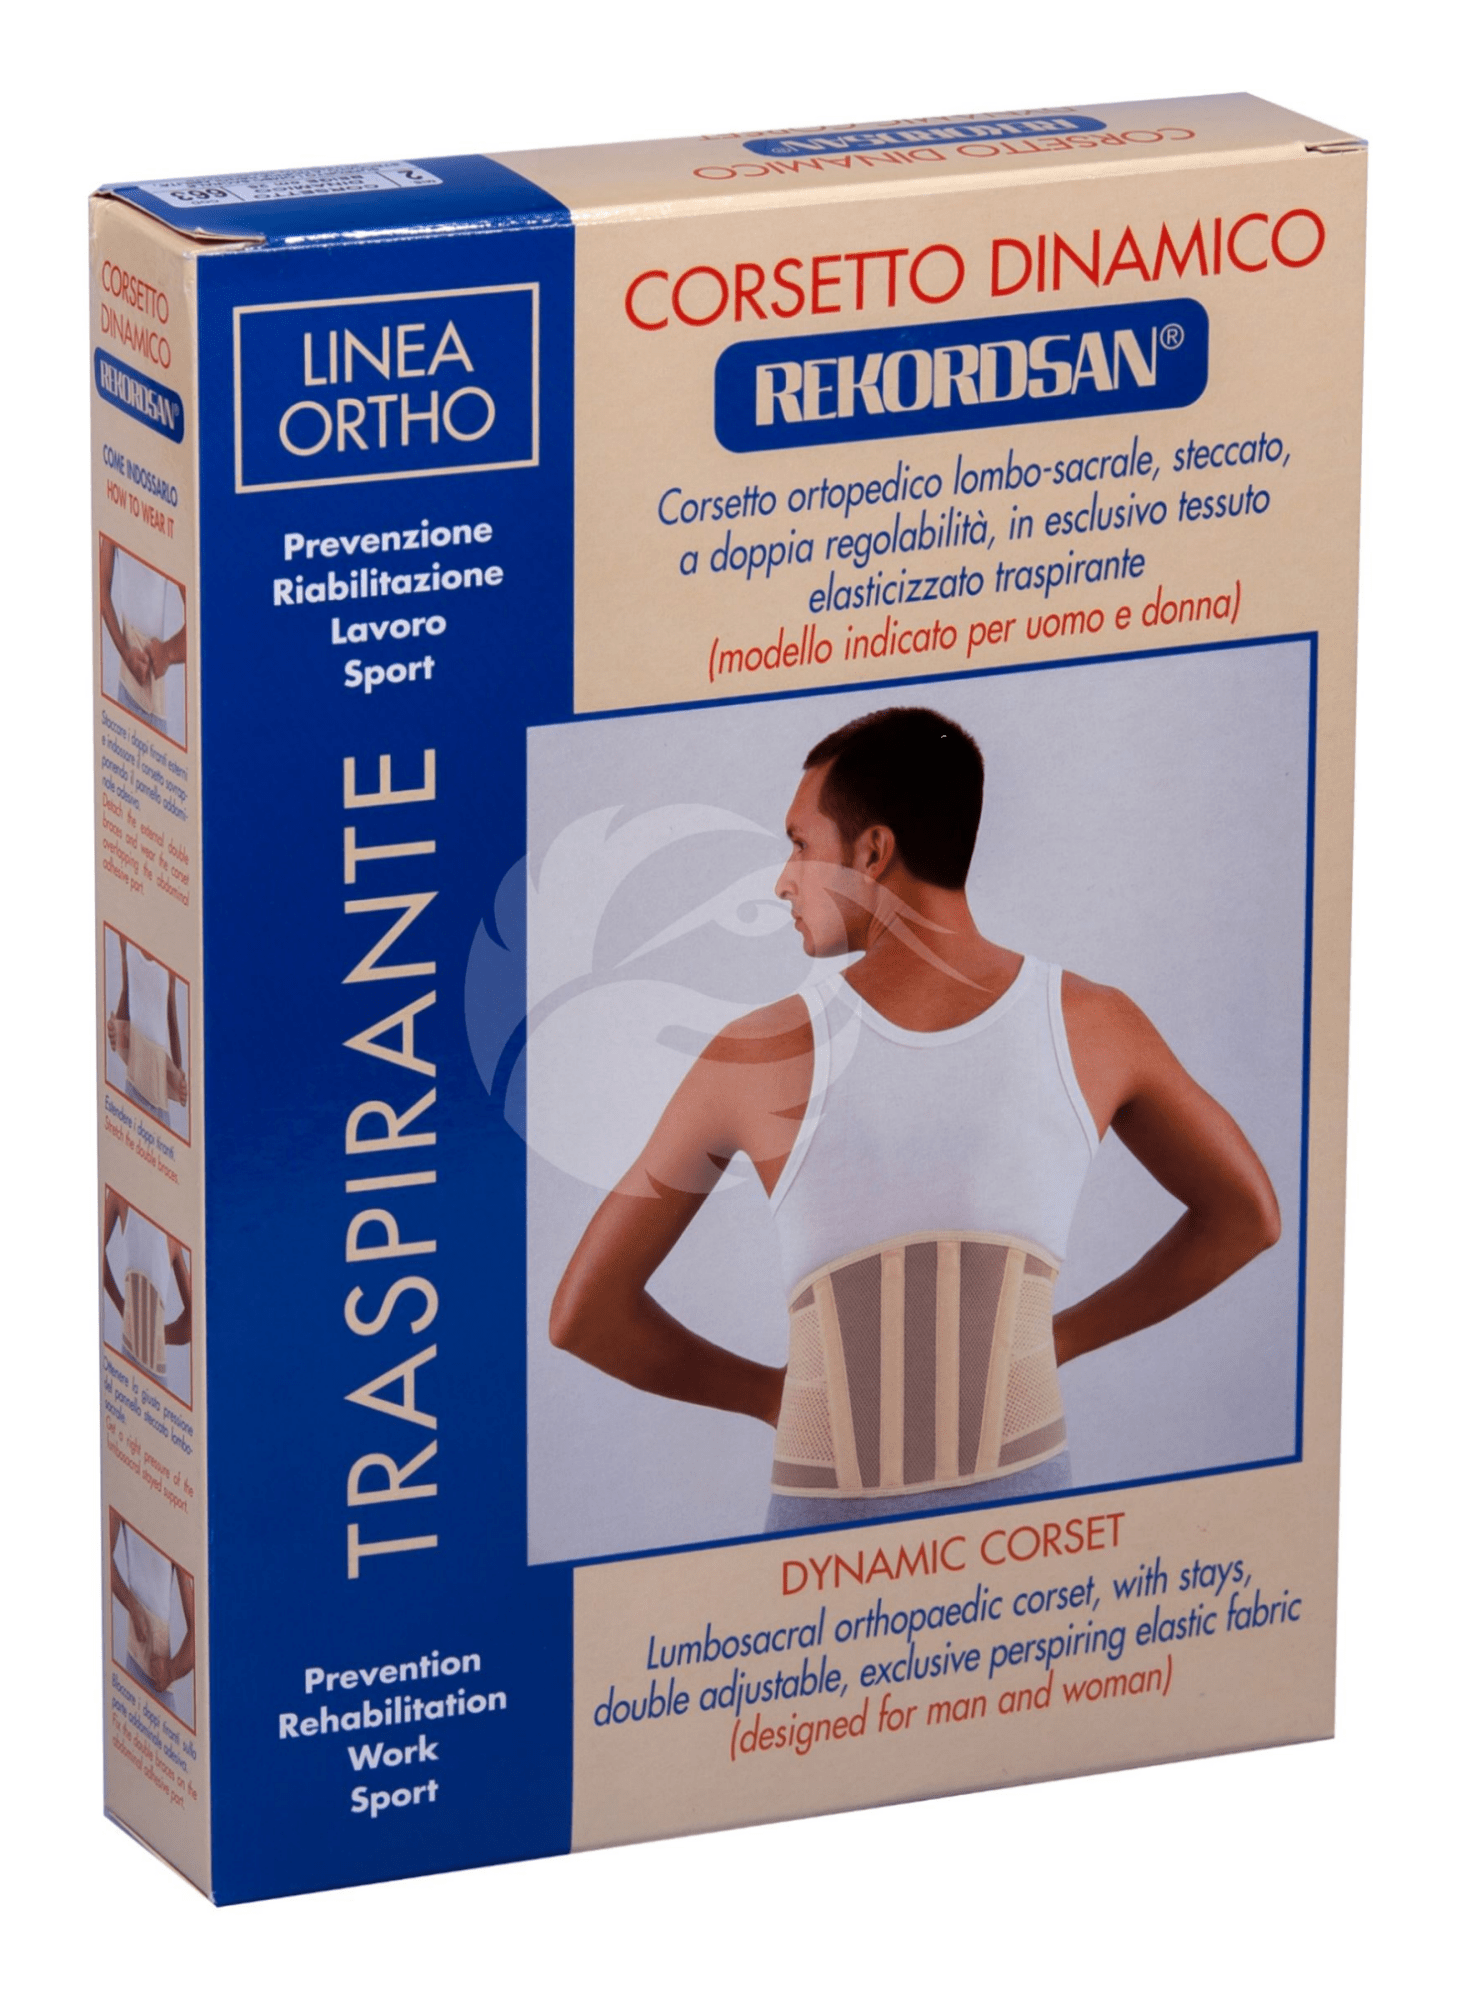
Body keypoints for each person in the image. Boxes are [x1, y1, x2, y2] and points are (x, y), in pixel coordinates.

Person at [550, 706, 1280, 1529]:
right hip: (1025, 1526)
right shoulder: (1094, 1024)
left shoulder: (756, 1055)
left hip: (824, 1538)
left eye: (799, 844)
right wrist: (1056, 1341)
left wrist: (775, 1398)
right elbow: (1246, 1216)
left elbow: (584, 1315)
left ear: (871, 852)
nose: (783, 880)